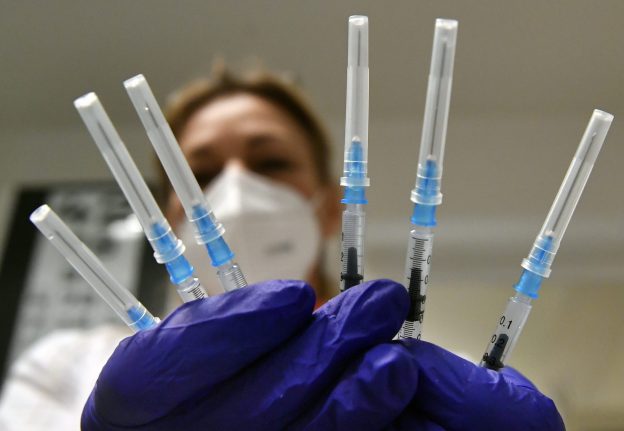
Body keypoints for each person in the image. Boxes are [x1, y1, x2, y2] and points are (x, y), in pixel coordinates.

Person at [0, 68, 565, 430]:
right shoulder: (74, 366)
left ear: (331, 205)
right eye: (199, 176)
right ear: (168, 217)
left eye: (270, 162)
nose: (235, 190)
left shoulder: (430, 373)